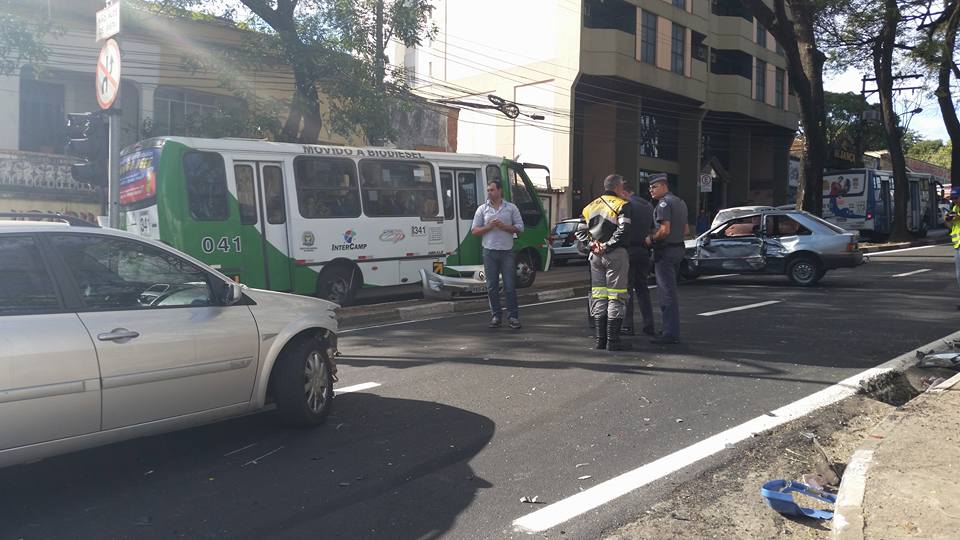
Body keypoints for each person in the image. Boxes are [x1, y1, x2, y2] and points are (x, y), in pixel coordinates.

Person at [575, 174, 633, 351]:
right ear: (617, 187)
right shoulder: (622, 205)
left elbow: (579, 232)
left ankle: (600, 340)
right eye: (622, 186)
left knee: (599, 296)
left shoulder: (589, 207)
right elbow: (625, 229)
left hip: (595, 257)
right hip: (615, 255)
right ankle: (613, 341)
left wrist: (592, 246)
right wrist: (607, 246)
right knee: (616, 295)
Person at [471, 180, 524, 329]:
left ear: (500, 191)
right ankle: (496, 316)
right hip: (489, 251)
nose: (489, 193)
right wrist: (489, 226)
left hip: (507, 251)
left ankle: (513, 317)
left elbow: (520, 228)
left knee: (509, 286)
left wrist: (504, 227)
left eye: (492, 190)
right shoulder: (482, 209)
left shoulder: (511, 208)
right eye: (488, 190)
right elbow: (474, 231)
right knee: (491, 286)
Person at [644, 173, 688, 345]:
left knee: (666, 293)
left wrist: (651, 239)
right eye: (650, 187)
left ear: (664, 186)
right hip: (678, 249)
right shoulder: (680, 202)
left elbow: (664, 230)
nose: (651, 190)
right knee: (671, 290)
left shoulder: (663, 204)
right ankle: (671, 328)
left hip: (665, 251)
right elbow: (685, 230)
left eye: (654, 187)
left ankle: (670, 333)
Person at [622, 183, 656, 337]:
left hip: (628, 250)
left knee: (626, 289)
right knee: (642, 289)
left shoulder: (626, 205)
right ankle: (649, 325)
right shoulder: (648, 206)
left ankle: (627, 326)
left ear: (625, 192)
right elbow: (652, 229)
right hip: (643, 250)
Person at [947, 187, 960, 309]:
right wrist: (948, 219)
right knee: (959, 275)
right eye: (953, 198)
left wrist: (956, 216)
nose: (955, 200)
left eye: (956, 198)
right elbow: (950, 224)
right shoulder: (955, 209)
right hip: (958, 246)